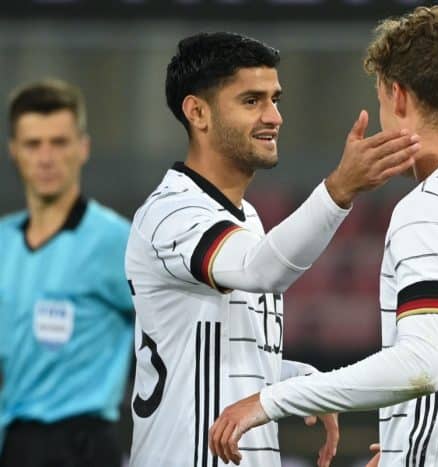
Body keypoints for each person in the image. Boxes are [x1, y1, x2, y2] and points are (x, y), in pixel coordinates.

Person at [209, 6, 438, 467]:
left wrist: (271, 401)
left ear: (398, 96)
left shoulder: (431, 207)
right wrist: (424, 436)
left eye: (384, 103)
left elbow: (420, 365)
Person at [125, 32, 419, 467]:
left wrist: (296, 380)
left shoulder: (245, 218)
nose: (274, 116)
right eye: (252, 101)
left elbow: (210, 359)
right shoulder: (171, 214)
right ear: (197, 112)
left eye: (275, 99)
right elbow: (261, 270)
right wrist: (339, 190)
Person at [0, 79, 134, 467]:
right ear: (14, 152)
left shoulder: (115, 241)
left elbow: (172, 329)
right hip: (15, 442)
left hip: (83, 444)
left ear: (83, 148)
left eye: (58, 142)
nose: (46, 157)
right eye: (32, 144)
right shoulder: (4, 241)